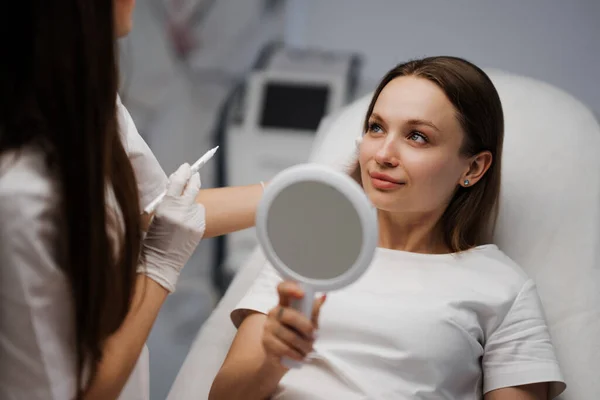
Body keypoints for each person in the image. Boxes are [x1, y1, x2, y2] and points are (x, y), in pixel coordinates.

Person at [209, 56, 567, 400]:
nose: (383, 154)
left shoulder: (503, 288)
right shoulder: (306, 252)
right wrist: (274, 358)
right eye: (376, 128)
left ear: (473, 168)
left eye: (417, 137)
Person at [0, 1, 263, 399]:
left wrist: (297, 192)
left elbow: (160, 208)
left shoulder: (89, 102)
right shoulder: (19, 202)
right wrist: (158, 268)